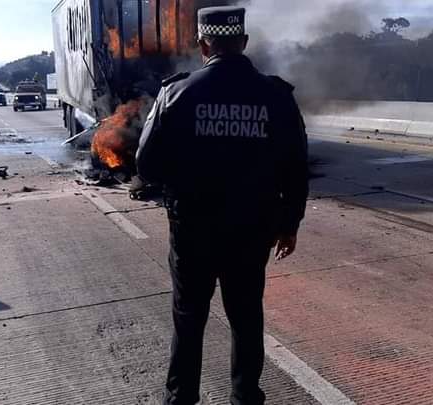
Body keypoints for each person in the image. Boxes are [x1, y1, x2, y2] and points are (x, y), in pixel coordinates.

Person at [135, 6, 309, 405]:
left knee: (188, 318)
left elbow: (146, 164)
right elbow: (296, 167)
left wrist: (180, 186)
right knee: (246, 318)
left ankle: (180, 400)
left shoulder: (176, 92)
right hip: (252, 231)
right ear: (244, 42)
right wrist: (290, 223)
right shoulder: (276, 96)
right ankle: (246, 397)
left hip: (193, 230)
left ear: (202, 45)